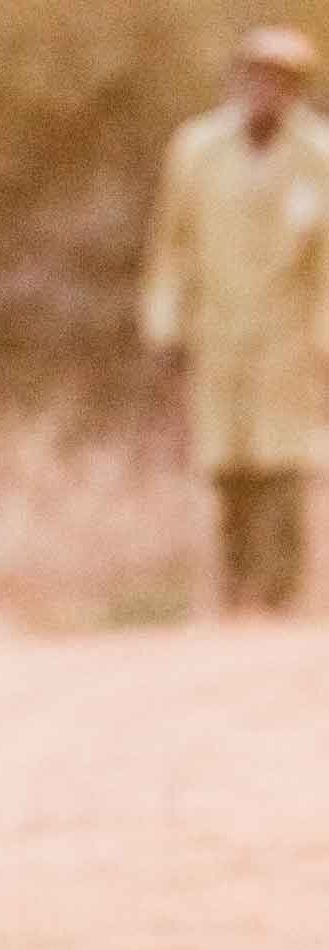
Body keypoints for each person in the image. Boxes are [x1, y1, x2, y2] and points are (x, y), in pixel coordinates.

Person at [141, 26, 329, 614]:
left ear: (296, 89)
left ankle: (281, 597)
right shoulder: (195, 149)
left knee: (285, 460)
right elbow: (171, 244)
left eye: (280, 80)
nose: (265, 90)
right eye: (256, 76)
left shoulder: (319, 156)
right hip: (219, 326)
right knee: (226, 463)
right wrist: (164, 321)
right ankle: (236, 592)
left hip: (289, 334)